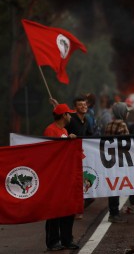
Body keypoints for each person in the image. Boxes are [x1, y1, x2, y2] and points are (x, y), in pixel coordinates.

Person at [43, 103, 79, 251]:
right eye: (69, 114)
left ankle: (67, 239)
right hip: (55, 176)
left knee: (68, 208)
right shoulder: (50, 130)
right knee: (54, 209)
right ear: (64, 115)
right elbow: (49, 153)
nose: (70, 116)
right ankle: (53, 241)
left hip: (66, 175)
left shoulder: (64, 130)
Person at [105, 102, 130, 223]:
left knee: (113, 185)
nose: (127, 113)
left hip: (110, 159)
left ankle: (112, 212)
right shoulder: (122, 124)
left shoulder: (109, 124)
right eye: (126, 111)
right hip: (119, 159)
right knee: (117, 186)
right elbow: (126, 143)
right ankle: (114, 214)